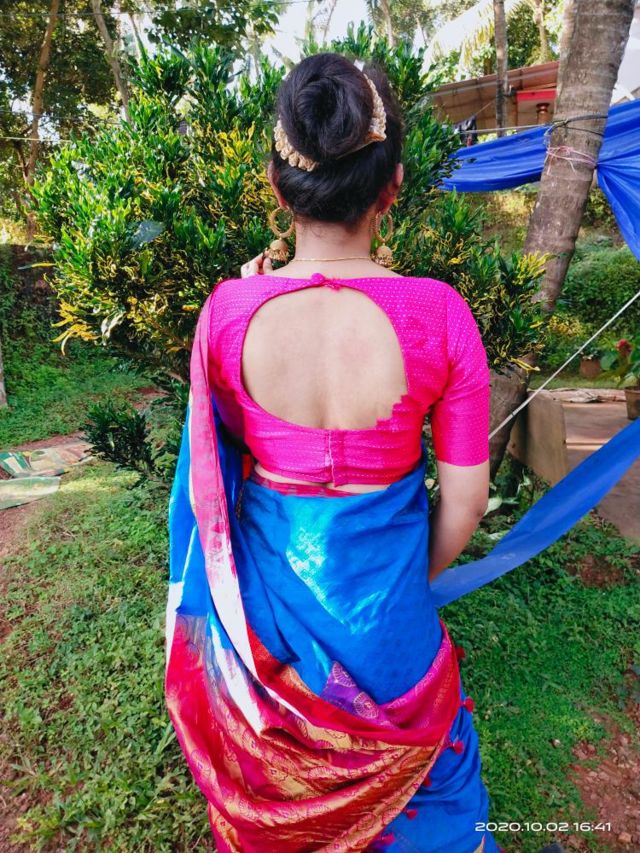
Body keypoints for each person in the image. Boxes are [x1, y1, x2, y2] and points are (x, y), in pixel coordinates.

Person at [166, 52, 503, 853]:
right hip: (395, 642)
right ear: (392, 186)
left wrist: (245, 297)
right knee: (437, 810)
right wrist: (397, 584)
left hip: (266, 646)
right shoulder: (440, 316)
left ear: (278, 186)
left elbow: (214, 476)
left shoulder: (226, 314)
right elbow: (466, 503)